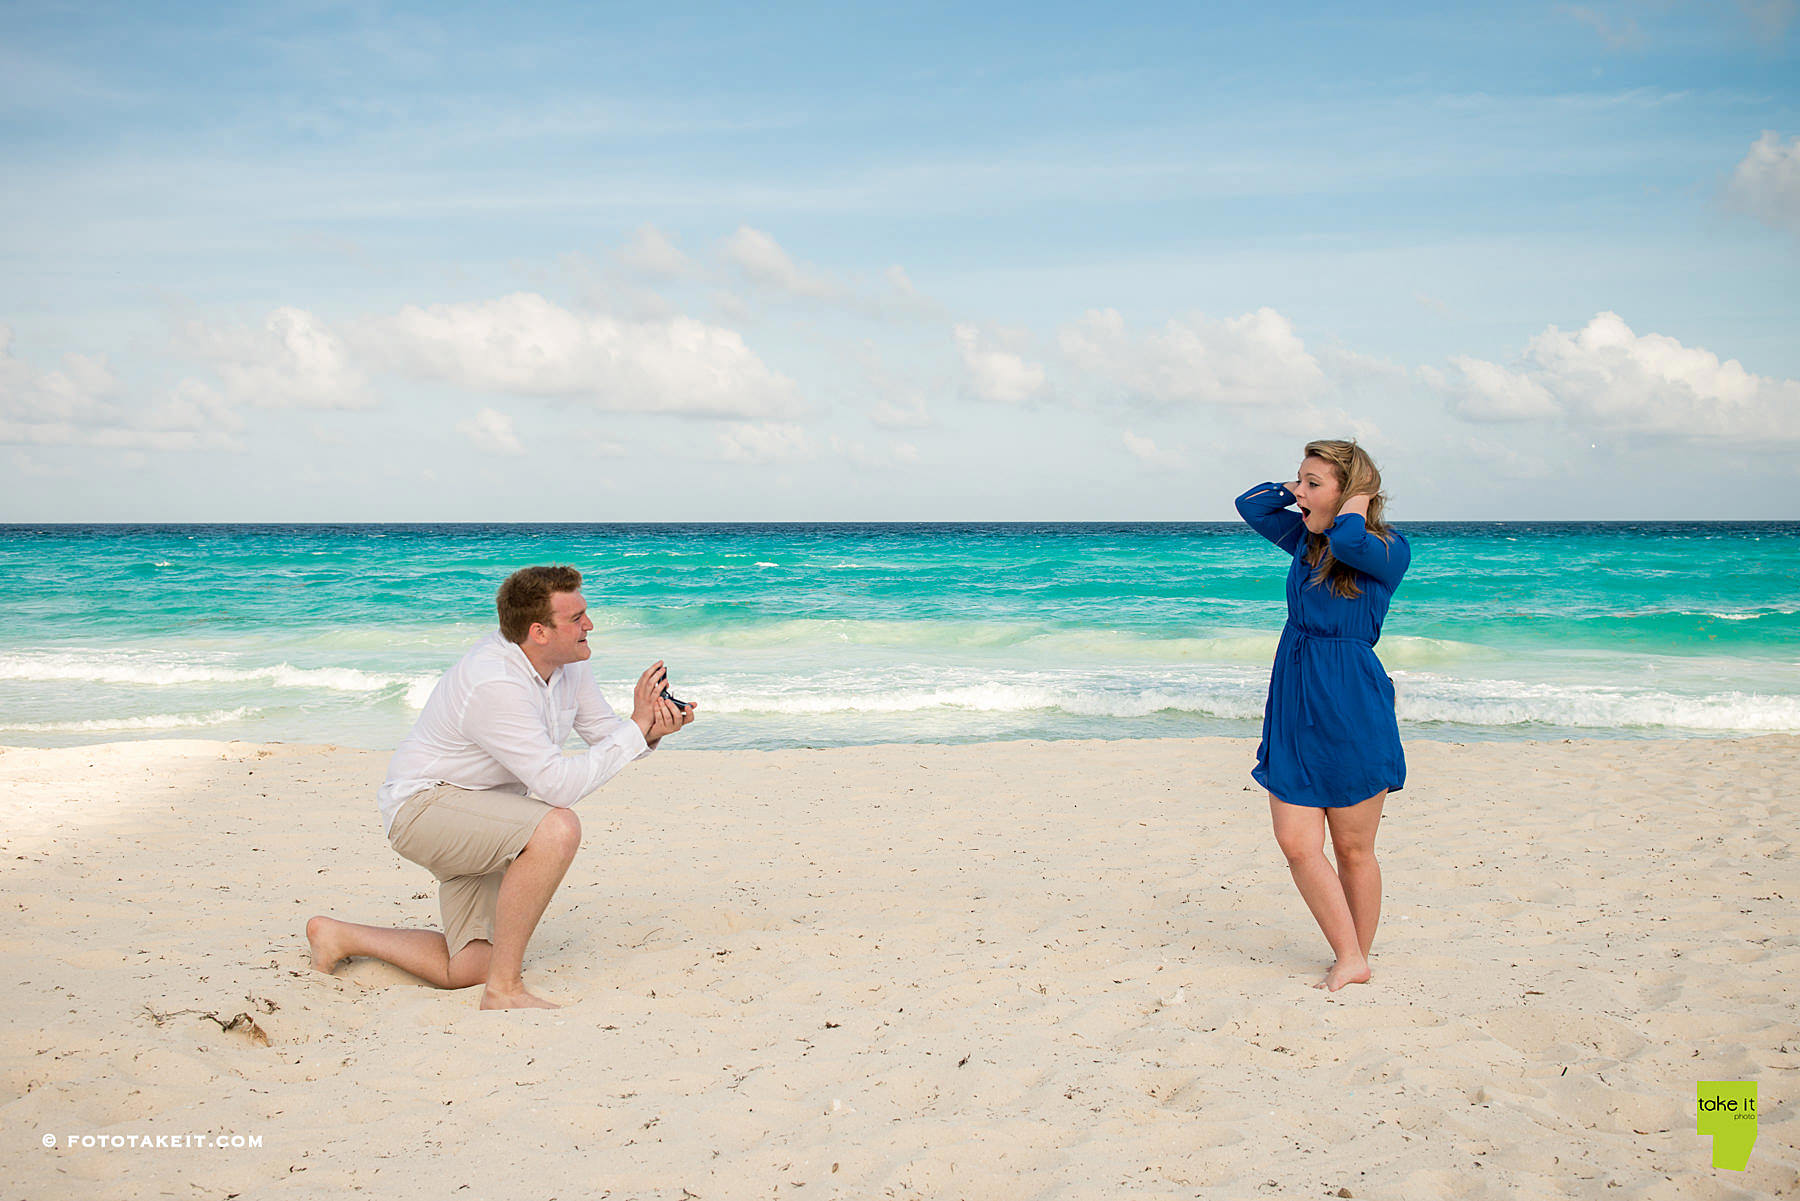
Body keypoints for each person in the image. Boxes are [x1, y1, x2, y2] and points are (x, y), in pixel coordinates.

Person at [305, 564, 695, 1009]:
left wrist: (654, 726)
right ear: (539, 632)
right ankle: (504, 992)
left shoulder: (568, 664)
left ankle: (338, 935)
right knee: (557, 828)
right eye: (577, 618)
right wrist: (635, 728)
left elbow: (607, 734)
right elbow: (557, 788)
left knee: (467, 968)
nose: (590, 624)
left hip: (487, 814)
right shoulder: (494, 681)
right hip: (424, 809)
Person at [1235, 441, 1410, 992]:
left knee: (1354, 848)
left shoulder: (1387, 550)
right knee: (1297, 843)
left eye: (1313, 483)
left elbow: (1352, 540)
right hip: (1295, 694)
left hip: (1351, 700)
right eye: (1300, 480)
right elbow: (1251, 505)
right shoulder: (1306, 542)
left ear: (1351, 492)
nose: (1299, 492)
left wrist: (1355, 503)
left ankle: (1353, 957)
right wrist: (1297, 492)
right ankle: (1350, 954)